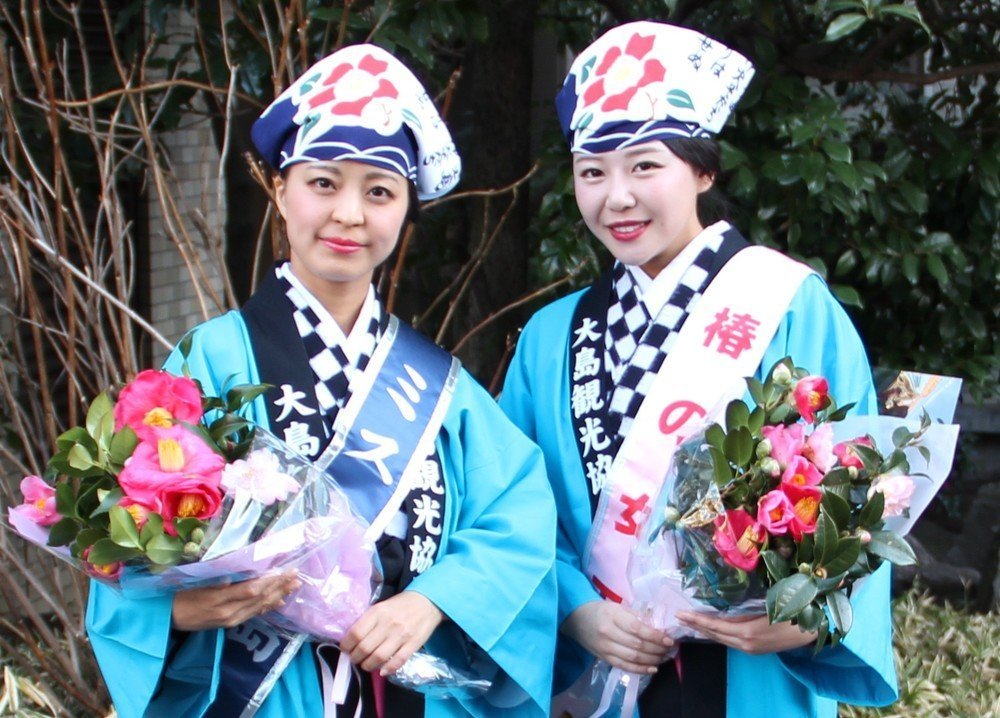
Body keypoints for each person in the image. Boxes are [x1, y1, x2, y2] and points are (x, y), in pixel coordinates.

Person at [86, 44, 557, 718]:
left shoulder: (440, 388)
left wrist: (432, 601)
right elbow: (127, 541)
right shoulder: (211, 361)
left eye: (380, 192)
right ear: (280, 190)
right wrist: (183, 611)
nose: (349, 215)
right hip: (264, 695)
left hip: (403, 688)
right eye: (324, 183)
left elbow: (518, 518)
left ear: (405, 212)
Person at [499, 20, 897, 718]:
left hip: (745, 670)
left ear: (703, 170)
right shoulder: (550, 337)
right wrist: (574, 608)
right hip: (595, 665)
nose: (615, 197)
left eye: (645, 166)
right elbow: (508, 505)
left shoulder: (790, 307)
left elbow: (863, 490)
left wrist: (810, 611)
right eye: (592, 171)